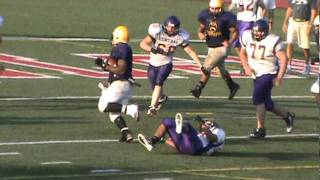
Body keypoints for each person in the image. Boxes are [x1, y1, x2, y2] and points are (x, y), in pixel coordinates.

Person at [239, 20, 295, 138]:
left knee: (257, 99)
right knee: (267, 103)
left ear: (265, 31)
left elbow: (284, 59)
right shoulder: (247, 35)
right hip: (255, 72)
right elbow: (242, 53)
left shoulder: (273, 40)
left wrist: (279, 77)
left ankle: (261, 129)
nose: (257, 34)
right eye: (255, 32)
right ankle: (287, 115)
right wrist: (246, 66)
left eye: (259, 32)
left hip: (269, 71)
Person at [140, 16, 202, 116]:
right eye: (169, 27)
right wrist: (154, 50)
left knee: (158, 83)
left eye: (173, 28)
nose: (171, 30)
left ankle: (152, 107)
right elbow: (143, 44)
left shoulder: (180, 37)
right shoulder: (157, 31)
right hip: (153, 62)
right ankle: (162, 98)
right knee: (153, 84)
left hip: (166, 63)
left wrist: (200, 65)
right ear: (165, 26)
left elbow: (190, 52)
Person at [95, 25, 139, 143]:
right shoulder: (122, 48)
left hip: (121, 83)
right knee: (113, 113)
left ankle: (130, 109)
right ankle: (126, 133)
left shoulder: (121, 48)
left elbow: (121, 70)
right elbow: (114, 65)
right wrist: (104, 63)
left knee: (103, 106)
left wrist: (105, 67)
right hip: (124, 85)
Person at [190, 0, 240, 100]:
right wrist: (200, 34)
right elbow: (201, 29)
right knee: (220, 70)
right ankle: (232, 86)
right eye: (212, 8)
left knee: (206, 67)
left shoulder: (227, 17)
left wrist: (229, 42)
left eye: (217, 8)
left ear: (221, 8)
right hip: (211, 47)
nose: (214, 11)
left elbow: (235, 32)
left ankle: (198, 88)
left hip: (222, 48)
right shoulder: (205, 15)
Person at [138, 113, 225, 155]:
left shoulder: (220, 132)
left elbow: (214, 139)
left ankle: (182, 128)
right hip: (186, 149)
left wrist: (205, 129)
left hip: (197, 147)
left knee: (187, 125)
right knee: (167, 122)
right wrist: (166, 141)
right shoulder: (202, 134)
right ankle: (152, 141)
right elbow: (182, 146)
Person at [282, 0, 318, 74]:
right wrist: (285, 22)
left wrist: (310, 25)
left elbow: (313, 12)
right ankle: (289, 65)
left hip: (304, 23)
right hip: (293, 21)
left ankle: (307, 65)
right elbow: (290, 9)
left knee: (305, 47)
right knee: (290, 43)